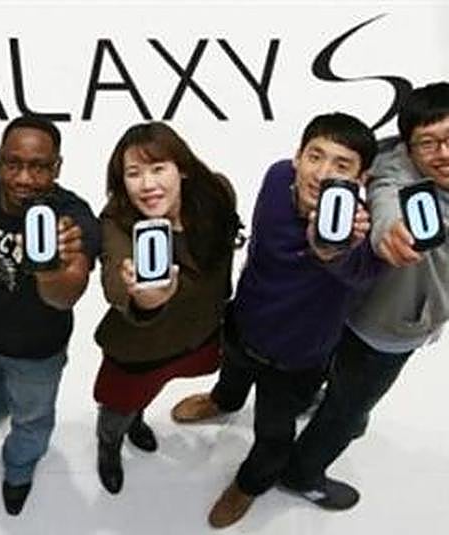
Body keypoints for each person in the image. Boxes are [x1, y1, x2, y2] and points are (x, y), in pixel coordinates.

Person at [272, 82, 449, 519]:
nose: (443, 153)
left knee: (337, 380)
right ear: (408, 146)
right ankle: (302, 473)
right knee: (348, 414)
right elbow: (388, 200)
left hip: (373, 312)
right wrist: (389, 233)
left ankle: (318, 398)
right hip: (383, 328)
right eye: (427, 143)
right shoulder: (394, 172)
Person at [201, 113, 383, 528]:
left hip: (298, 358)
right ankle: (223, 401)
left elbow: (364, 274)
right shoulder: (276, 177)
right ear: (297, 157)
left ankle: (250, 483)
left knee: (273, 434)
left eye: (341, 165)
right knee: (231, 376)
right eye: (315, 156)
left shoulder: (361, 233)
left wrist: (331, 252)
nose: (322, 172)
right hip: (243, 323)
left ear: (362, 179)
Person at [0, 116, 100, 515]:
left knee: (32, 420)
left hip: (36, 353)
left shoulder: (74, 218)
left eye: (39, 167)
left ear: (57, 167)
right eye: (12, 164)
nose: (24, 179)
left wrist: (50, 271)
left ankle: (18, 468)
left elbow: (67, 295)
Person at [92, 122, 241, 495]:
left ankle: (137, 420)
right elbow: (116, 283)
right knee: (118, 409)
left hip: (199, 333)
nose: (147, 184)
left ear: (182, 169)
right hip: (141, 346)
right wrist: (147, 299)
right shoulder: (117, 221)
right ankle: (109, 445)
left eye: (158, 169)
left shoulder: (217, 193)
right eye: (133, 173)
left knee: (149, 394)